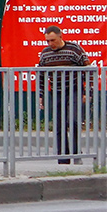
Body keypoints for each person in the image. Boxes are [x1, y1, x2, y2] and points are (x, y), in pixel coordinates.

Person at [37, 25, 89, 164]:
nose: (50, 44)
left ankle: (76, 153)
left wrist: (86, 92)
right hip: (57, 92)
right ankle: (63, 159)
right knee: (59, 125)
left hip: (74, 90)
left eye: (52, 40)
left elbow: (88, 70)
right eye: (47, 41)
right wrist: (41, 95)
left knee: (73, 121)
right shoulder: (46, 54)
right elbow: (41, 76)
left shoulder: (74, 49)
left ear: (61, 36)